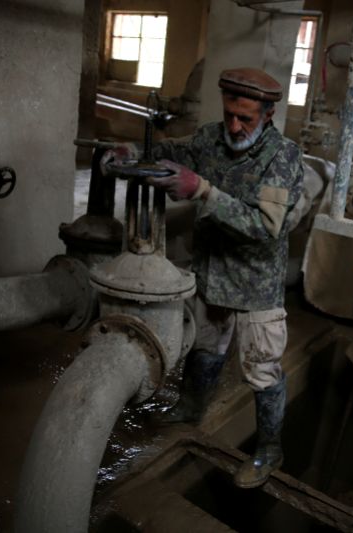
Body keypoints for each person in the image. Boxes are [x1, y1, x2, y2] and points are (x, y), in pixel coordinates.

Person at [104, 67, 304, 489]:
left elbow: (266, 226)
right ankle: (190, 409)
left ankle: (270, 449)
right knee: (205, 350)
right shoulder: (212, 137)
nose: (234, 126)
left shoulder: (282, 157)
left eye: (245, 118)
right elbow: (174, 150)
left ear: (267, 115)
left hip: (256, 285)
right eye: (230, 113)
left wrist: (202, 191)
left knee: (261, 370)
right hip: (212, 274)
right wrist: (131, 151)